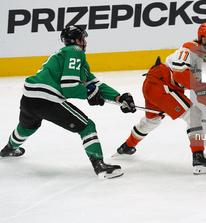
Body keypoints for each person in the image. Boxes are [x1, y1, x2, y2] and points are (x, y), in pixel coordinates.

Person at [0, 25, 137, 179]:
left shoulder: (65, 56)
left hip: (28, 99)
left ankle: (9, 148)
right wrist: (89, 95)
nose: (85, 42)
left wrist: (118, 98)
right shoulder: (75, 51)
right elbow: (69, 87)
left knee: (27, 127)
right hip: (47, 100)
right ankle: (100, 167)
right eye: (83, 38)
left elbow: (94, 83)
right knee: (87, 126)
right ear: (77, 40)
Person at [115, 23, 206, 174]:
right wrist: (199, 88)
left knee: (152, 120)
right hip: (160, 85)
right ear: (203, 39)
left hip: (160, 87)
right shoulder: (189, 50)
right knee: (194, 114)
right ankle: (199, 159)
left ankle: (126, 147)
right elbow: (179, 73)